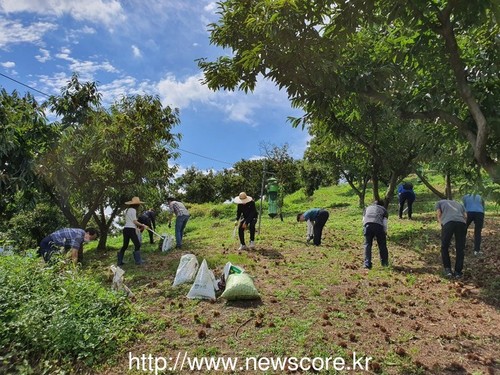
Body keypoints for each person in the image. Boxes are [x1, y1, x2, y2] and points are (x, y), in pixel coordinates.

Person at [435, 199, 467, 278]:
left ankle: (448, 270)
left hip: (449, 223)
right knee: (460, 248)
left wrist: (442, 224)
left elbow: (439, 214)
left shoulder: (439, 202)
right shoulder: (459, 203)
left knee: (444, 246)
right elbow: (465, 216)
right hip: (461, 223)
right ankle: (458, 272)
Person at [117, 196, 148, 266]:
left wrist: (136, 227)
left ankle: (119, 261)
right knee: (137, 244)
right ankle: (138, 261)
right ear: (137, 204)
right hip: (131, 229)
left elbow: (130, 221)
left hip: (126, 229)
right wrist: (142, 225)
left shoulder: (127, 210)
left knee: (125, 245)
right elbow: (134, 221)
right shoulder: (133, 210)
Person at [362, 201, 389, 269]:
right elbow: (385, 223)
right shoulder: (383, 210)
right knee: (382, 245)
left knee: (367, 244)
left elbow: (363, 220)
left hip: (367, 225)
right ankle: (384, 263)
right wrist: (385, 232)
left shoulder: (367, 208)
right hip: (378, 226)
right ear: (382, 205)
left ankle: (367, 264)